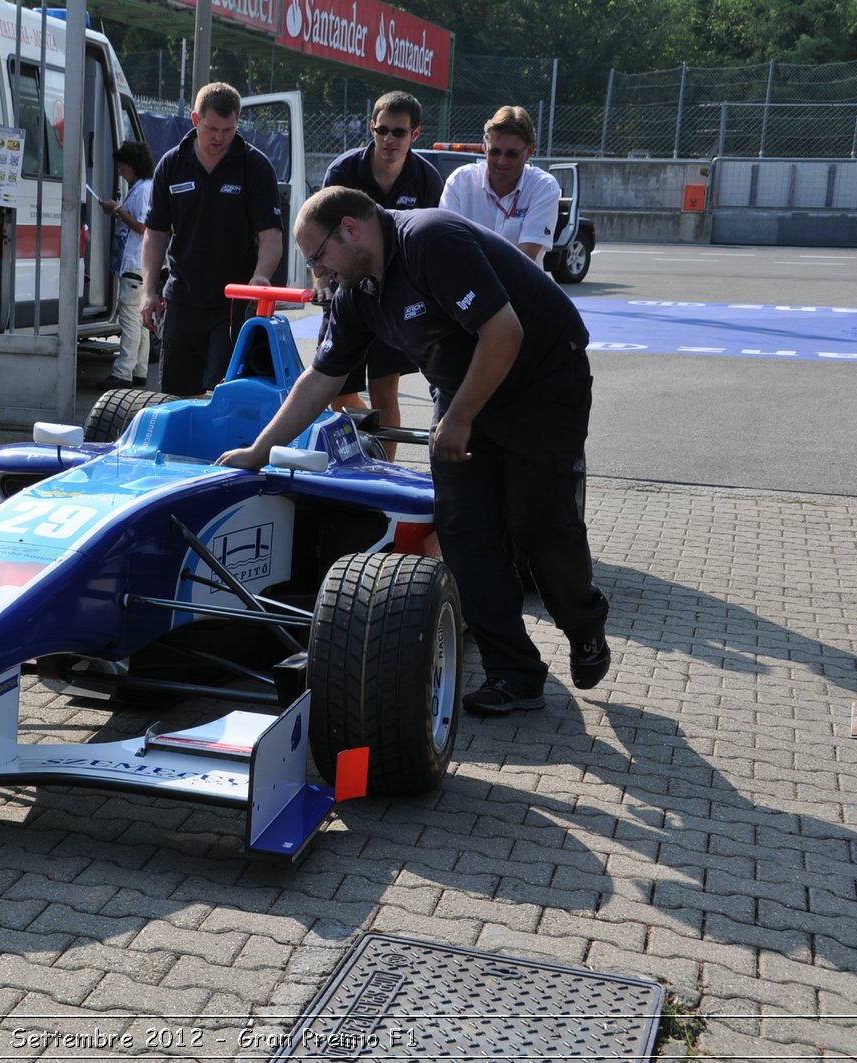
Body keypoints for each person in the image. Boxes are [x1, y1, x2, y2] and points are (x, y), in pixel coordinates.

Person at [218, 187, 611, 715]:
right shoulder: (357, 289)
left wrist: (460, 419)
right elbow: (320, 379)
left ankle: (584, 624)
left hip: (541, 380)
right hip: (463, 388)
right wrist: (261, 450)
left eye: (318, 257)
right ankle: (514, 674)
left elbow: (504, 333)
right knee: (464, 529)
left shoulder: (429, 241)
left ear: (351, 230)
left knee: (537, 522)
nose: (319, 272)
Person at [318, 90, 443, 458]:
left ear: (415, 135)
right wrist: (322, 281)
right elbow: (319, 233)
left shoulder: (427, 180)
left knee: (385, 389)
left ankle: (386, 470)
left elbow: (431, 247)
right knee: (336, 389)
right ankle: (359, 452)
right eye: (383, 130)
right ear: (371, 128)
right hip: (348, 295)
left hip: (395, 297)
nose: (389, 140)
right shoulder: (342, 172)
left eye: (399, 133)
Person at [141, 82, 283, 397]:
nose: (219, 137)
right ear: (195, 119)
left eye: (228, 129)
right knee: (176, 395)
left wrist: (261, 275)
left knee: (226, 392)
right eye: (211, 128)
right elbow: (155, 233)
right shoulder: (173, 164)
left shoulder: (254, 166)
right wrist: (149, 290)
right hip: (182, 296)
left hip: (232, 301)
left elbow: (271, 235)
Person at [440, 105, 560, 263]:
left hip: (519, 285)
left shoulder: (543, 187)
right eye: (495, 152)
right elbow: (448, 248)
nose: (502, 161)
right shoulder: (460, 182)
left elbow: (525, 260)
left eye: (512, 154)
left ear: (530, 151)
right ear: (485, 147)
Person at [98, 140, 155, 389]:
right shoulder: (144, 187)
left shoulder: (142, 190)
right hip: (137, 264)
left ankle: (123, 372)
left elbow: (143, 227)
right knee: (140, 321)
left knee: (131, 320)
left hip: (133, 262)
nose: (121, 173)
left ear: (134, 166)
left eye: (123, 169)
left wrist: (118, 210)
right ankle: (140, 370)